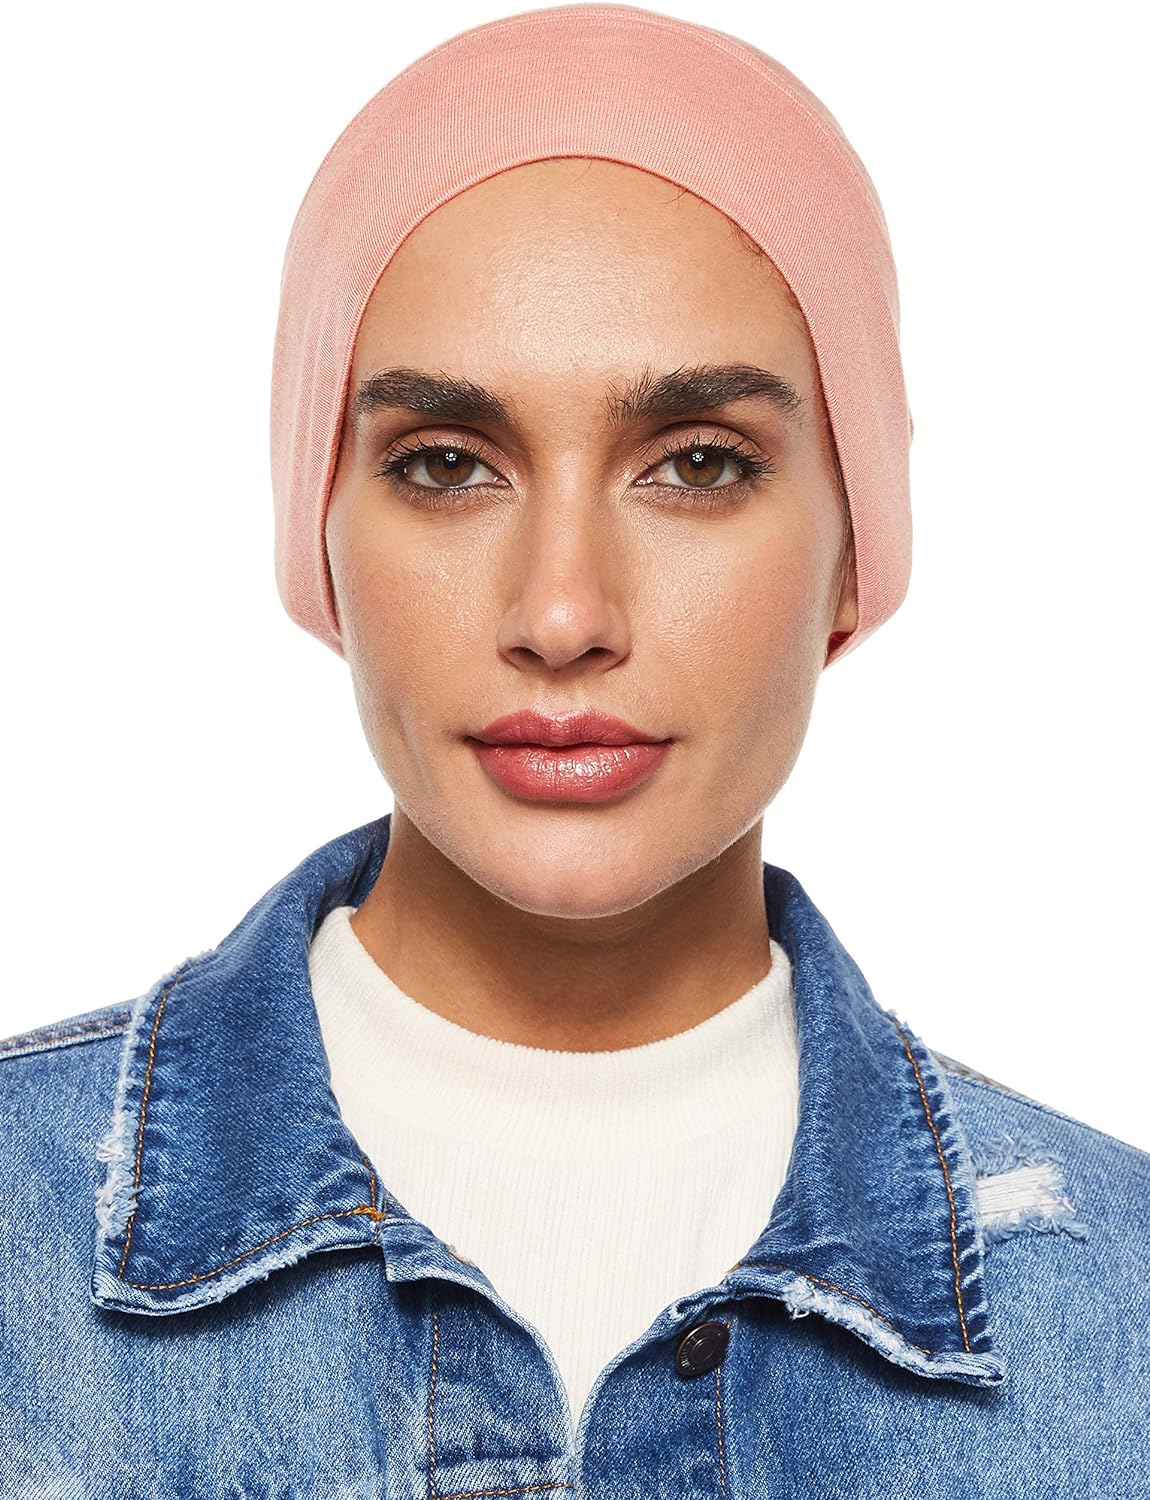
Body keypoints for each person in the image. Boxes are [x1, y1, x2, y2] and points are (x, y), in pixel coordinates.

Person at [2, 4, 1146, 1494]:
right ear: (321, 538)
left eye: (697, 464)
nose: (560, 615)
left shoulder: (1117, 1320)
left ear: (855, 549)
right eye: (445, 465)